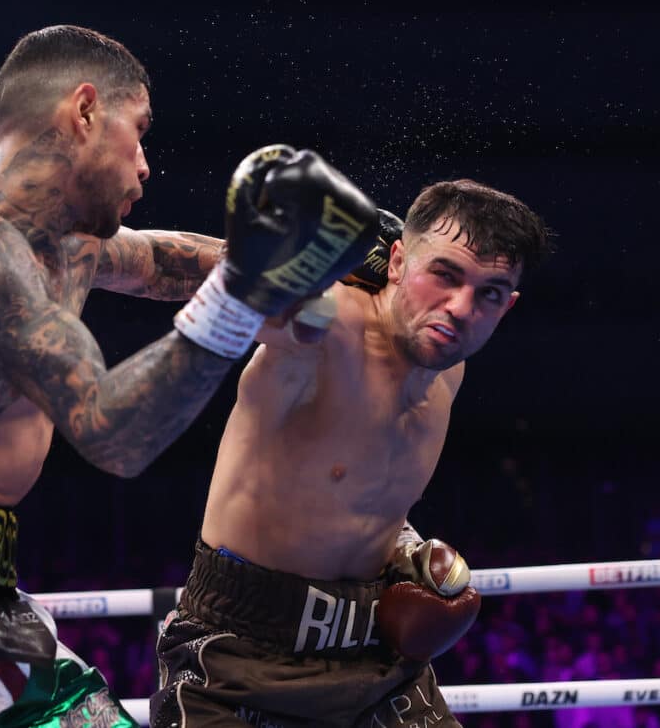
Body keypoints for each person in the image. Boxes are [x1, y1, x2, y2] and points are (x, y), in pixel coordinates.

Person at [0, 24, 383, 728]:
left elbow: (168, 261)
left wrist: (325, 263)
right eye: (138, 132)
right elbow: (113, 433)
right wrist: (245, 287)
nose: (146, 164)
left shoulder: (73, 250)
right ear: (84, 111)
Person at [152, 179, 554, 727]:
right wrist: (71, 252)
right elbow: (208, 275)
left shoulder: (447, 369)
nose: (461, 307)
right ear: (396, 261)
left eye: (487, 292)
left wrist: (407, 547)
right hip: (239, 654)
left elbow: (357, 486)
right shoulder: (327, 326)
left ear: (506, 306)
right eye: (444, 274)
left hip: (372, 661)